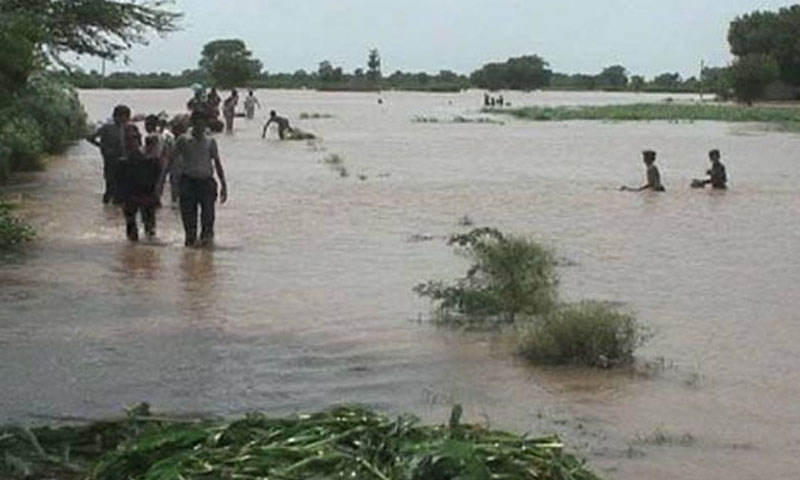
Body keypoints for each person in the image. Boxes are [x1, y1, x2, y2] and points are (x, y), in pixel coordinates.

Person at [174, 111, 228, 247]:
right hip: (188, 182)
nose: (200, 126)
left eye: (202, 123)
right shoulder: (183, 140)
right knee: (189, 221)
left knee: (208, 219)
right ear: (192, 123)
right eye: (197, 122)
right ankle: (190, 246)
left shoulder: (210, 141)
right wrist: (166, 184)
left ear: (205, 124)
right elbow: (170, 161)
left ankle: (206, 257)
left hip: (206, 182)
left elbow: (217, 163)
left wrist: (224, 185)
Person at [117, 124, 161, 241]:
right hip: (130, 194)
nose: (129, 142)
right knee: (131, 228)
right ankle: (133, 253)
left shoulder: (149, 157)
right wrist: (120, 198)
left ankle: (146, 254)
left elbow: (157, 175)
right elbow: (119, 180)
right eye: (126, 139)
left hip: (147, 193)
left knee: (150, 229)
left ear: (138, 139)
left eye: (131, 139)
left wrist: (155, 194)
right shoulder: (123, 160)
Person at [86, 104, 131, 204]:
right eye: (125, 117)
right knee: (110, 185)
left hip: (122, 160)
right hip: (111, 159)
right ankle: (109, 208)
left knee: (120, 186)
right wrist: (102, 147)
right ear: (116, 116)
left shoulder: (126, 128)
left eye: (127, 117)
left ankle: (112, 213)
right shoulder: (107, 128)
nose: (126, 119)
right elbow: (90, 138)